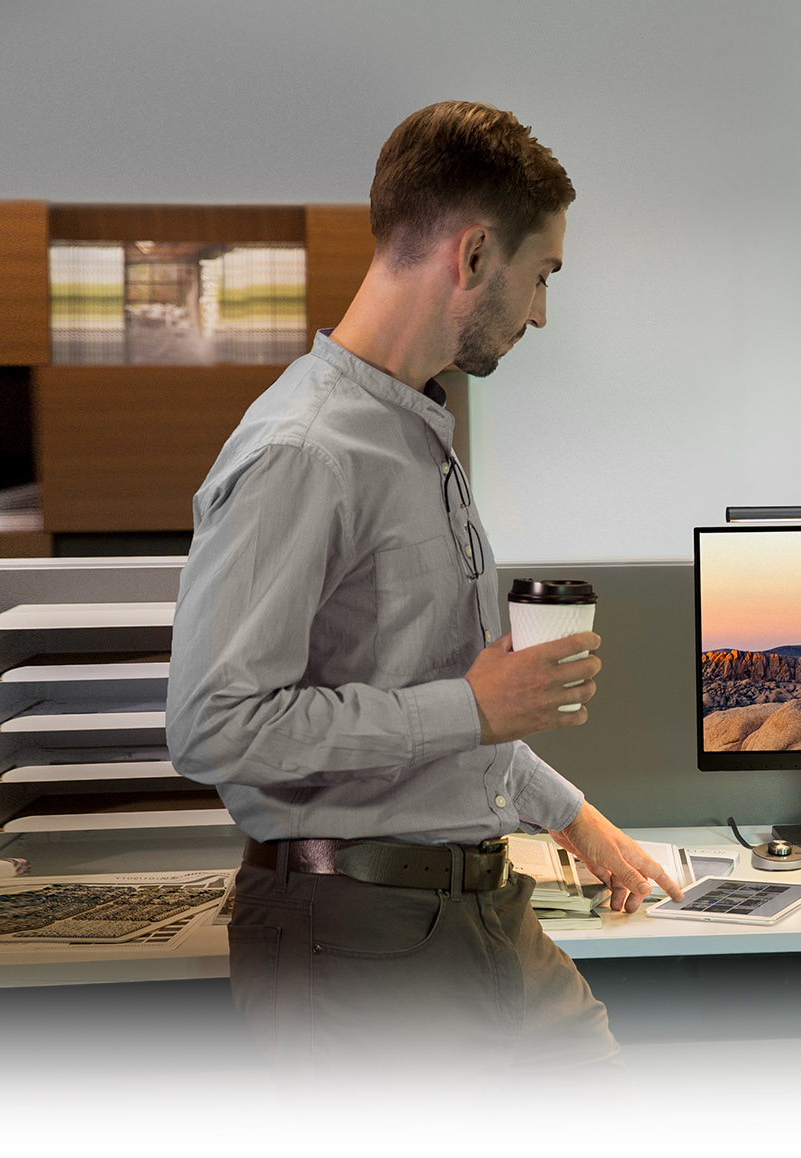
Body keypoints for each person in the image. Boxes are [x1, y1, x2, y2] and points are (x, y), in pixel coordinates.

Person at [167, 100, 683, 1074]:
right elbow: (213, 727)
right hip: (355, 938)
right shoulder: (303, 449)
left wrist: (571, 813)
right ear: (475, 254)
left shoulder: (416, 438)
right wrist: (471, 707)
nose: (539, 313)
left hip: (475, 906)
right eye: (542, 277)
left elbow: (445, 704)